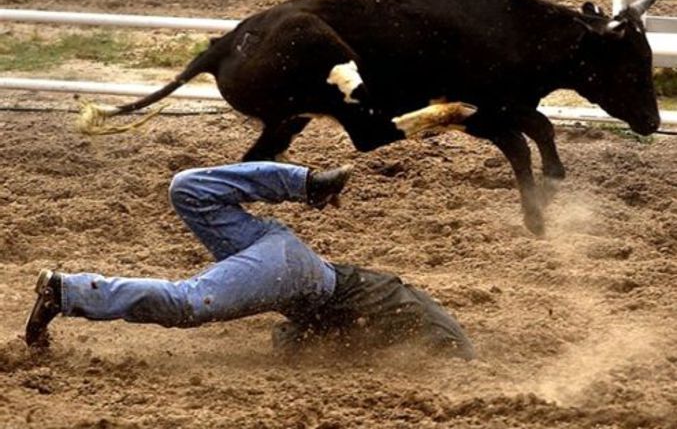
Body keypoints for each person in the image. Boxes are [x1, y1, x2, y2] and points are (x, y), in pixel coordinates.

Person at [25, 161, 475, 360]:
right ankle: (67, 291)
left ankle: (307, 184)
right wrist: (462, 358)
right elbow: (448, 336)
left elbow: (291, 337)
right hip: (292, 274)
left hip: (284, 256)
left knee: (188, 190)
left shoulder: (373, 309)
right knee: (190, 302)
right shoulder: (405, 310)